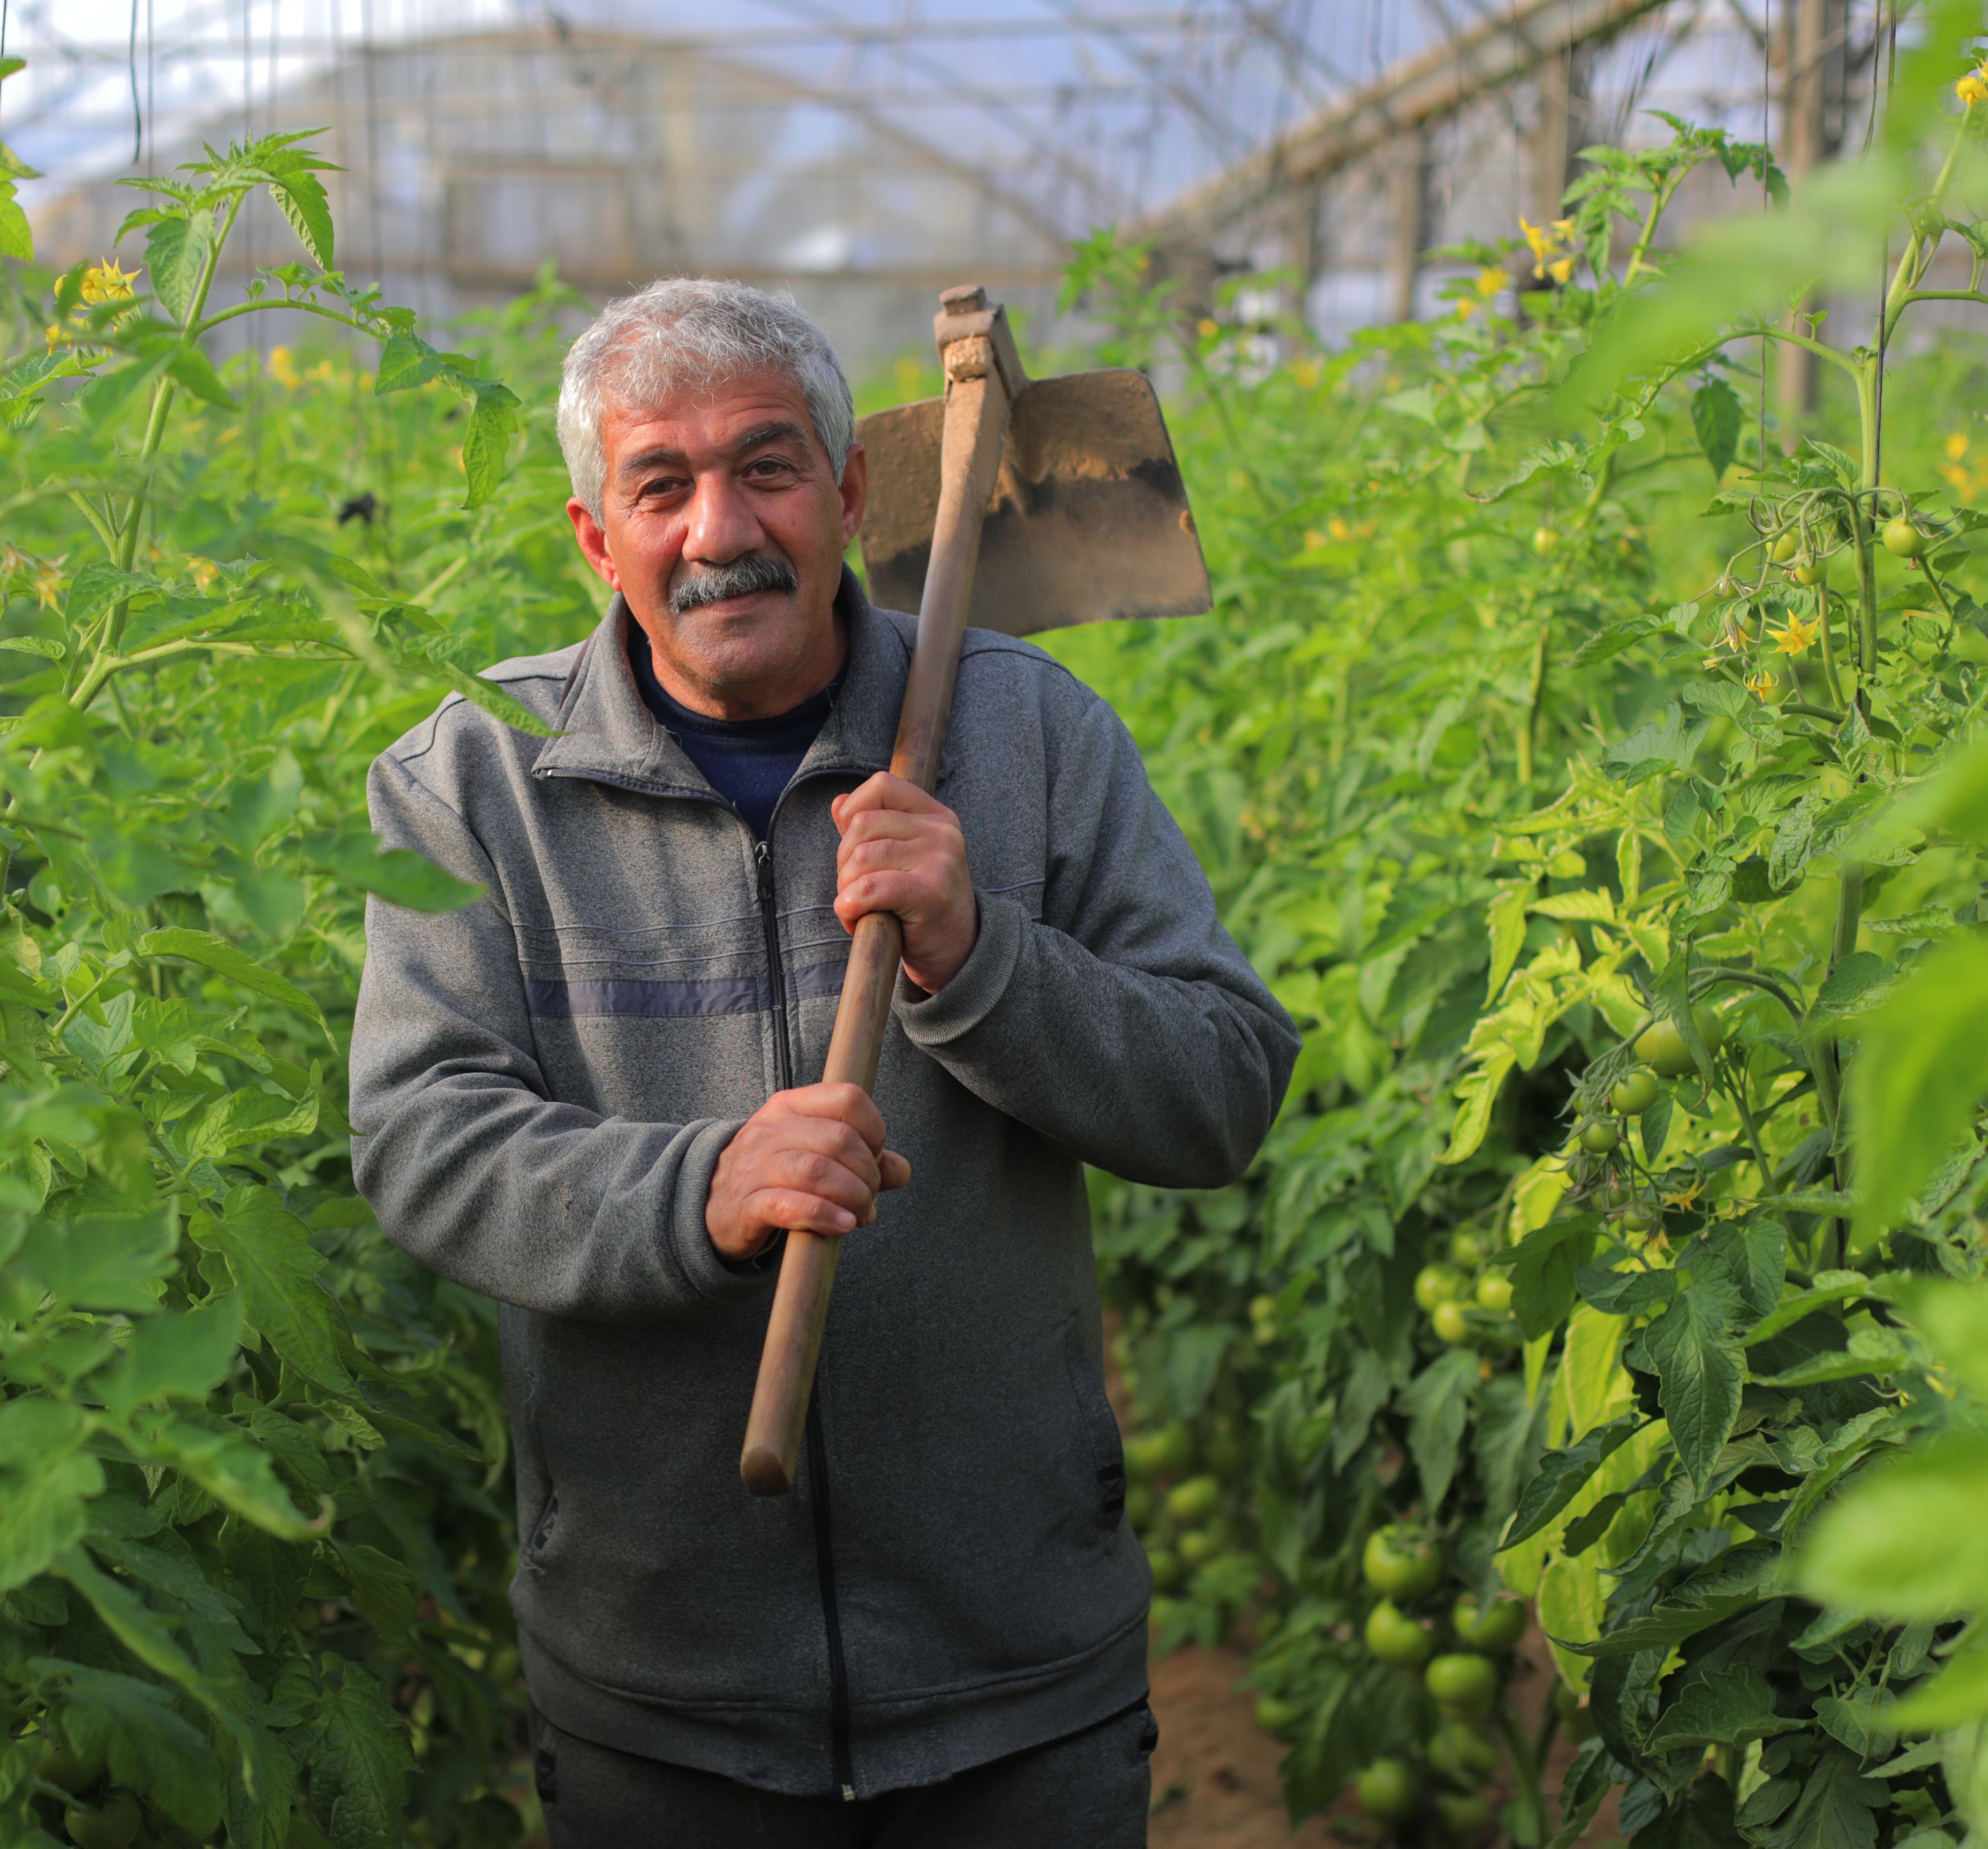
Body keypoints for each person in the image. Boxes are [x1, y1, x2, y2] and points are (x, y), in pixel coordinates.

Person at [350, 278, 1300, 1847]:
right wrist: (695, 1185)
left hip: (1017, 1681)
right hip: (662, 1694)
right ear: (598, 538)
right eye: (660, 484)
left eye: (769, 464)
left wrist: (976, 953)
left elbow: (1221, 1087)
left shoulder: (1029, 735)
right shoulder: (474, 787)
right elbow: (420, 1139)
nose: (720, 525)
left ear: (851, 492)